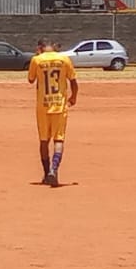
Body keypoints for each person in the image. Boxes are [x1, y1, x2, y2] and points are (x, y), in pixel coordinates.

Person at [27, 38, 79, 188]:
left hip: (43, 106)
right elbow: (74, 82)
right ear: (53, 47)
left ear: (40, 48)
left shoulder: (36, 60)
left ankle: (45, 174)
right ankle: (54, 170)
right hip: (59, 105)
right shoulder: (64, 59)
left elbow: (31, 80)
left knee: (44, 140)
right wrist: (73, 97)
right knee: (59, 140)